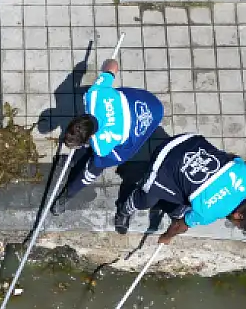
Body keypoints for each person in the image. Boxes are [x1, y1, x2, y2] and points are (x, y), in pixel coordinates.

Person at [50, 58, 164, 214]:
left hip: (150, 115)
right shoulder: (95, 94)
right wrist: (103, 68)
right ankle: (76, 159)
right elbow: (113, 65)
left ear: (88, 139)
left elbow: (103, 153)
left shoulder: (103, 147)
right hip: (139, 100)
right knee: (116, 93)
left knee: (90, 171)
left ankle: (67, 196)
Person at [115, 132, 246, 244]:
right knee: (145, 200)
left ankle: (172, 201)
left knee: (188, 204)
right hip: (162, 161)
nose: (236, 226)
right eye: (239, 226)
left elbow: (230, 156)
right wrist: (167, 237)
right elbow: (178, 226)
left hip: (186, 141)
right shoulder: (208, 214)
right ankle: (124, 210)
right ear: (239, 216)